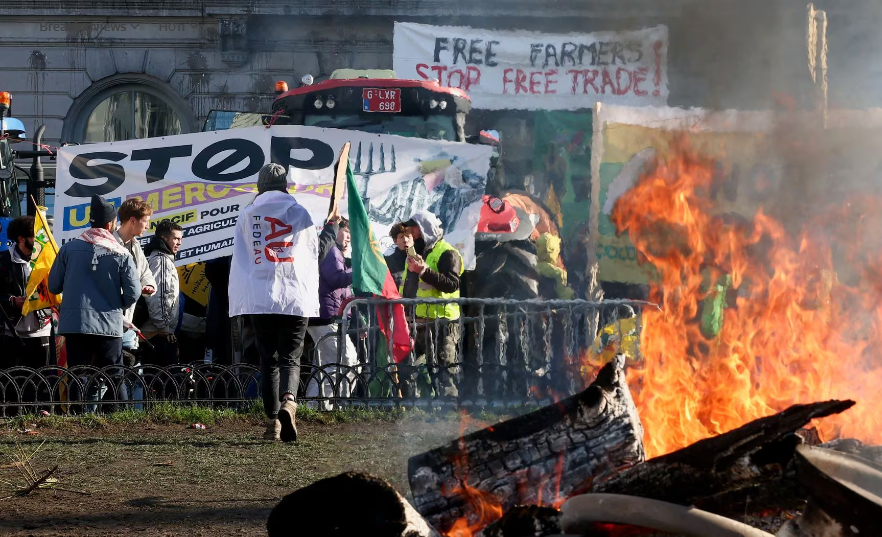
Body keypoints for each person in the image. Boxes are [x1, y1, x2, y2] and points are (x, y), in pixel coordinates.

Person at [229, 163, 319, 442]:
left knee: (268, 360)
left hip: (261, 297)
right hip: (294, 295)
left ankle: (272, 425)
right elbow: (314, 250)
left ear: (260, 185)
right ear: (284, 185)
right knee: (291, 357)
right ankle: (289, 402)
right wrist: (332, 227)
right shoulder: (300, 212)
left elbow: (241, 257)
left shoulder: (248, 214)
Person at [48, 195, 140, 410]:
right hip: (108, 325)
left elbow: (53, 286)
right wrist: (116, 306)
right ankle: (121, 419)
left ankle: (76, 418)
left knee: (78, 374)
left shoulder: (68, 249)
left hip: (75, 324)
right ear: (110, 224)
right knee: (114, 374)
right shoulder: (121, 252)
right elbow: (134, 292)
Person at [400, 210, 464, 398]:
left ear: (424, 229)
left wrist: (424, 271)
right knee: (407, 369)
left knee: (444, 374)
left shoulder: (448, 252)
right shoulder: (417, 254)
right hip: (417, 323)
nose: (411, 234)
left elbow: (452, 284)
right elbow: (410, 287)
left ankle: (449, 410)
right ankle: (416, 408)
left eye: (414, 229)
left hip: (442, 325)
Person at [306, 218, 358, 409]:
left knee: (327, 364)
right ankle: (323, 406)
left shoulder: (335, 252)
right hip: (325, 317)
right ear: (336, 230)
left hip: (325, 316)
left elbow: (344, 293)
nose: (349, 237)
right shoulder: (331, 251)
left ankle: (315, 406)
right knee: (345, 361)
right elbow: (337, 278)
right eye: (346, 232)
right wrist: (359, 269)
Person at [0, 216, 51, 369]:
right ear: (21, 238)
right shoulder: (3, 260)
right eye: (35, 236)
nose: (39, 241)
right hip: (12, 331)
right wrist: (12, 301)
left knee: (41, 379)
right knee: (13, 380)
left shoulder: (47, 259)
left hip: (42, 330)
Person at [113, 198, 156, 357]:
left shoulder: (136, 245)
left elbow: (146, 273)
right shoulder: (109, 244)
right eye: (145, 221)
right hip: (109, 322)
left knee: (128, 368)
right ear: (132, 220)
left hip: (128, 323)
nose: (148, 226)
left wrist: (149, 286)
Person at [141, 220, 183, 366]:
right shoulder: (161, 260)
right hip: (157, 333)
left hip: (157, 331)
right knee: (164, 376)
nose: (179, 243)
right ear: (164, 238)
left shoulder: (162, 259)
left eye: (180, 239)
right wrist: (164, 327)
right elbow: (158, 296)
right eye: (176, 238)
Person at [384, 221, 412, 289]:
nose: (405, 240)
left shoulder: (421, 259)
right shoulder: (388, 262)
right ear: (395, 241)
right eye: (401, 237)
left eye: (408, 236)